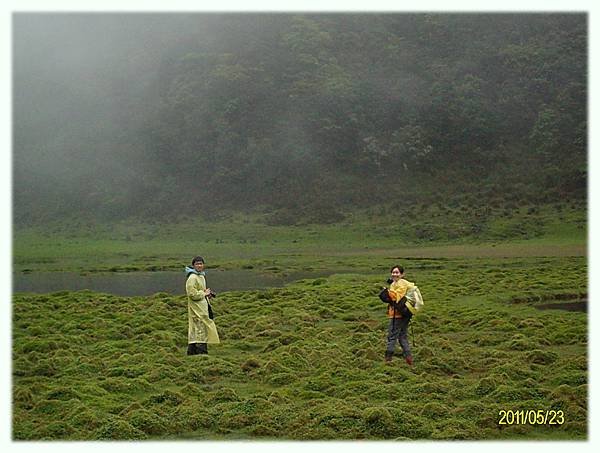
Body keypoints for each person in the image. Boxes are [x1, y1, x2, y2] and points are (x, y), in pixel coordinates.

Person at [185, 256, 220, 355]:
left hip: (203, 307)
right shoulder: (192, 278)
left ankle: (191, 353)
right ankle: (201, 353)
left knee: (198, 330)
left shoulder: (201, 276)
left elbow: (200, 290)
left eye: (201, 264)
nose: (199, 266)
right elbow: (192, 294)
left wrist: (207, 294)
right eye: (197, 264)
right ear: (193, 265)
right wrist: (204, 294)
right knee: (200, 330)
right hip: (196, 309)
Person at [384, 265, 415, 365]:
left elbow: (396, 297)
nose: (394, 274)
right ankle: (409, 359)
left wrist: (386, 292)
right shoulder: (395, 283)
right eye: (393, 272)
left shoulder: (402, 284)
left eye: (397, 272)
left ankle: (388, 359)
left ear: (402, 274)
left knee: (392, 336)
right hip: (404, 314)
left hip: (398, 314)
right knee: (402, 336)